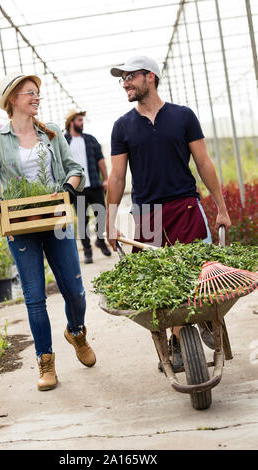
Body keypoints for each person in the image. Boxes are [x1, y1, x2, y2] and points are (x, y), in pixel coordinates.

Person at [0, 72, 96, 391]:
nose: (36, 97)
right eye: (29, 92)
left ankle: (77, 331)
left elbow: (75, 170)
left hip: (55, 219)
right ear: (13, 100)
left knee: (75, 290)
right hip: (21, 226)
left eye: (37, 92)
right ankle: (45, 361)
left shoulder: (52, 132)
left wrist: (69, 188)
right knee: (34, 298)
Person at [106, 55, 231, 371]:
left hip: (186, 205)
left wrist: (222, 209)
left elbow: (203, 163)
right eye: (122, 79)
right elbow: (118, 178)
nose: (125, 83)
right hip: (148, 213)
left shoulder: (183, 116)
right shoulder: (122, 127)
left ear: (150, 77)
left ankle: (190, 329)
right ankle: (176, 340)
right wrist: (108, 221)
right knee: (159, 285)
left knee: (196, 276)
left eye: (129, 77)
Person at [64, 109, 111, 264]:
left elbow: (100, 160)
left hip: (94, 185)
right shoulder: (64, 142)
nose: (81, 123)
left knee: (101, 214)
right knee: (83, 220)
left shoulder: (91, 139)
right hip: (77, 189)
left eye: (82, 120)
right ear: (71, 122)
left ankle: (100, 240)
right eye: (79, 120)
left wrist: (105, 179)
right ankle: (87, 250)